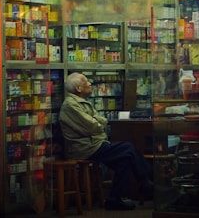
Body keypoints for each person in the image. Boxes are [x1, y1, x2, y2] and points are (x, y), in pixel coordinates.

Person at [59, 72, 154, 211]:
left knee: (125, 160)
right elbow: (93, 125)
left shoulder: (83, 102)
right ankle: (146, 182)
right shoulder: (71, 105)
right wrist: (98, 123)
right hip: (86, 147)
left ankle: (115, 199)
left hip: (95, 143)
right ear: (78, 88)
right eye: (86, 82)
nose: (90, 84)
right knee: (127, 147)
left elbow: (101, 120)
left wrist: (98, 123)